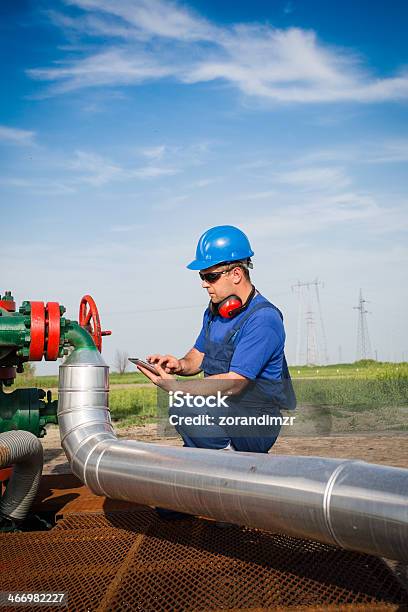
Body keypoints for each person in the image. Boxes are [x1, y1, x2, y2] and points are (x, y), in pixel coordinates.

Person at [138, 225, 295, 454]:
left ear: (236, 274)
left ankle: (229, 466)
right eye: (202, 277)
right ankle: (214, 459)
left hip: (255, 420)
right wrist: (179, 365)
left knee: (185, 407)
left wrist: (177, 388)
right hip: (224, 410)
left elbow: (235, 382)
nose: (204, 283)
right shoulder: (215, 312)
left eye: (210, 276)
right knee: (183, 408)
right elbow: (198, 355)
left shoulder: (264, 319)